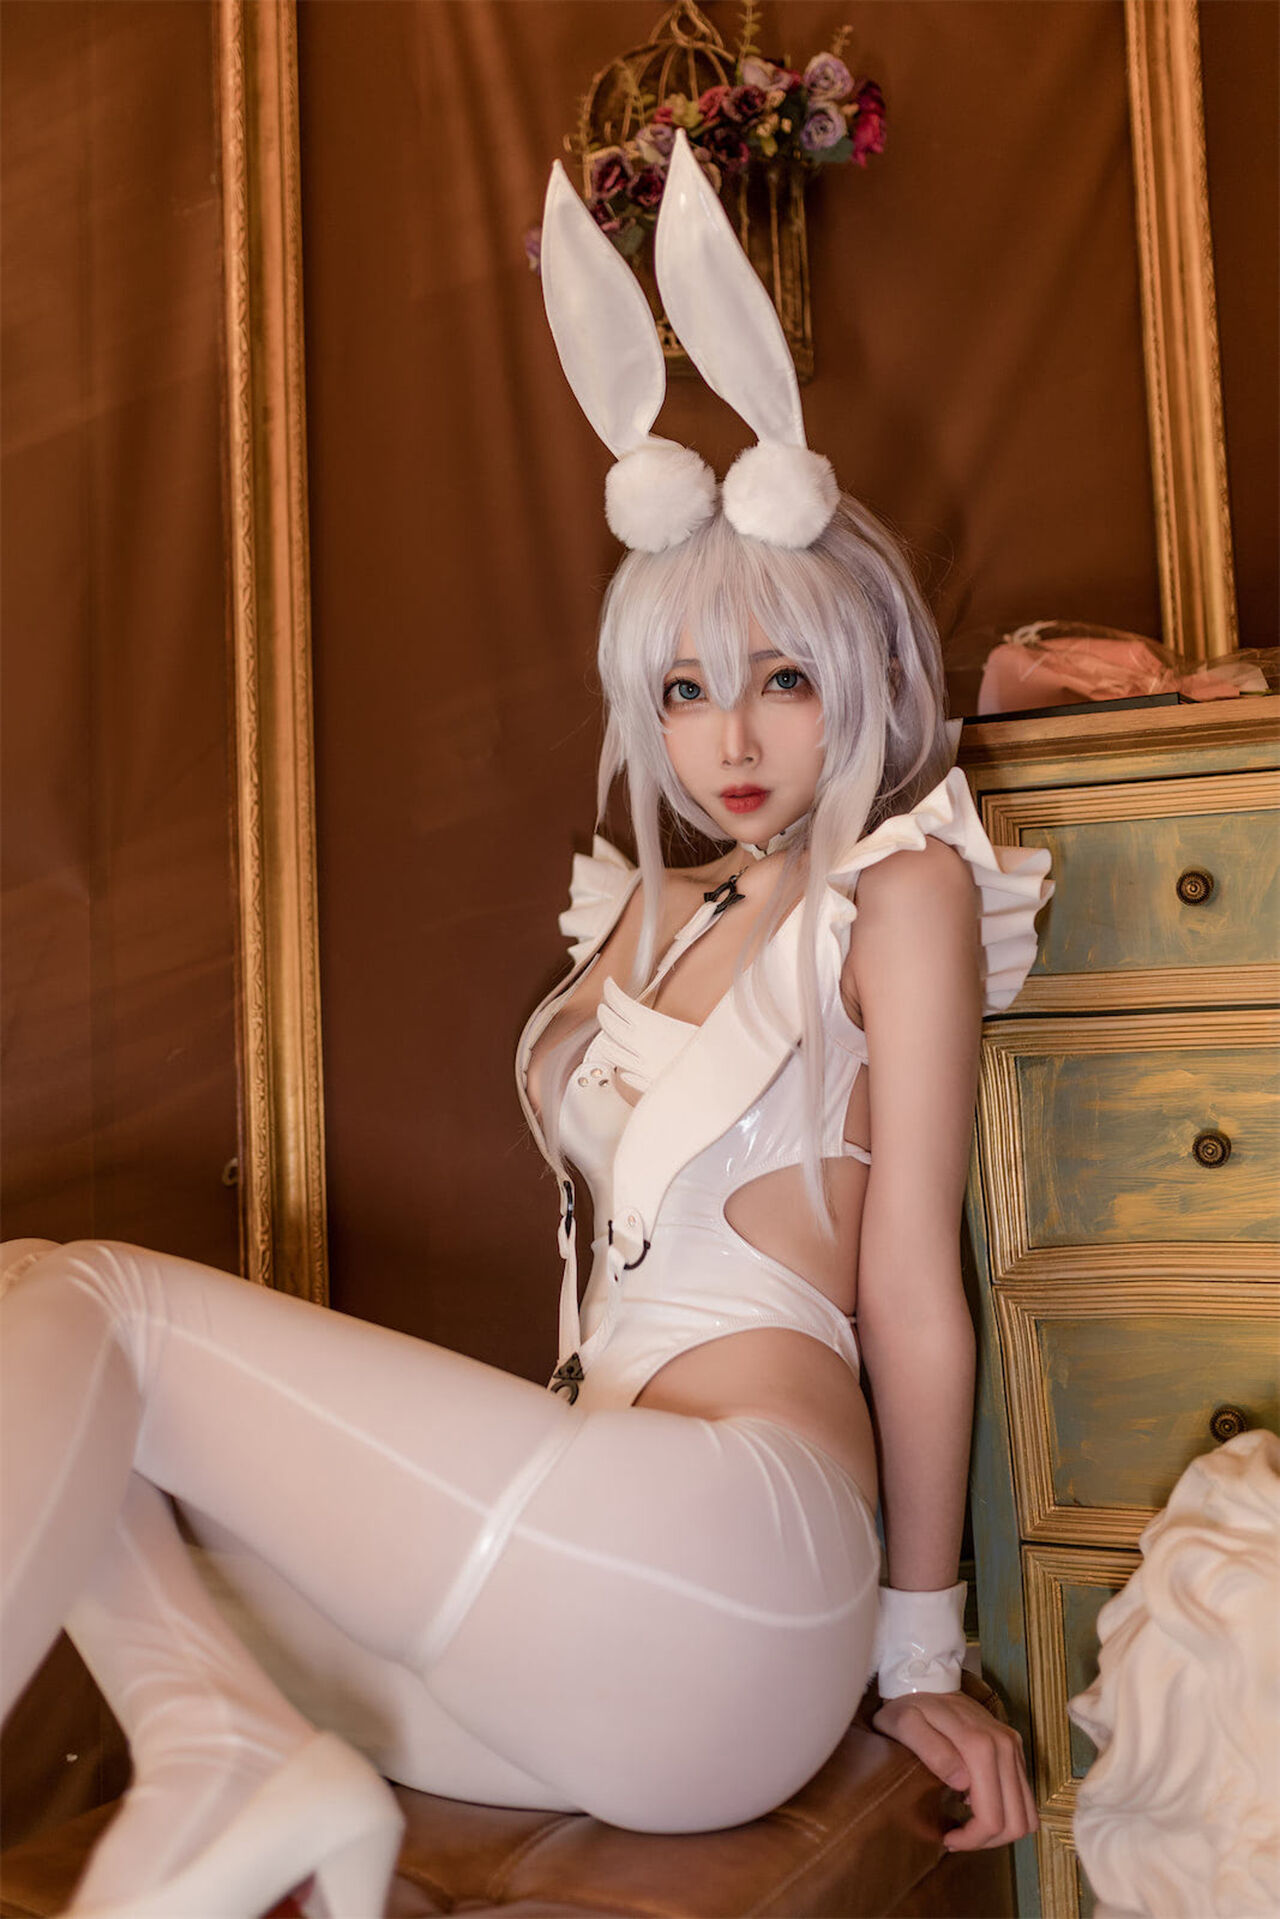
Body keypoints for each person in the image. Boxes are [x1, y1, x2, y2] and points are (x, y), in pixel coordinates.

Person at [0, 132, 1048, 1919]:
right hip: (572, 1595)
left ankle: (226, 1749)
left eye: (783, 679)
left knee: (86, 1299)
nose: (732, 738)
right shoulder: (642, 906)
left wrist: (922, 1652)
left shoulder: (899, 894)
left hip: (735, 1568)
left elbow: (911, 1299)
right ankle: (224, 1745)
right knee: (51, 1343)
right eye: (687, 688)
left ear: (860, 674)